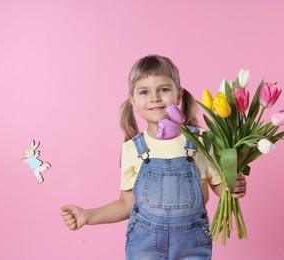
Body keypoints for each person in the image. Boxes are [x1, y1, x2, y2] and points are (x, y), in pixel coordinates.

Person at [61, 55, 247, 259]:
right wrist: (88, 215)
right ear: (132, 99)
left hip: (191, 245)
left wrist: (233, 186)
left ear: (179, 95)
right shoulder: (132, 149)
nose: (154, 97)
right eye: (144, 91)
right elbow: (126, 204)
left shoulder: (202, 142)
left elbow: (221, 188)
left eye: (164, 89)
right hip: (144, 246)